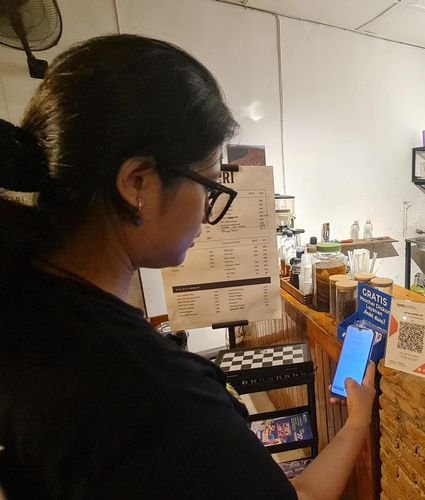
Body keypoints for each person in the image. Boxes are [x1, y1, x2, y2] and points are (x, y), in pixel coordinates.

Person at [0, 34, 375, 499]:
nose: (207, 212)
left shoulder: (25, 307)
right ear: (137, 183)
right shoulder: (156, 397)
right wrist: (358, 420)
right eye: (209, 187)